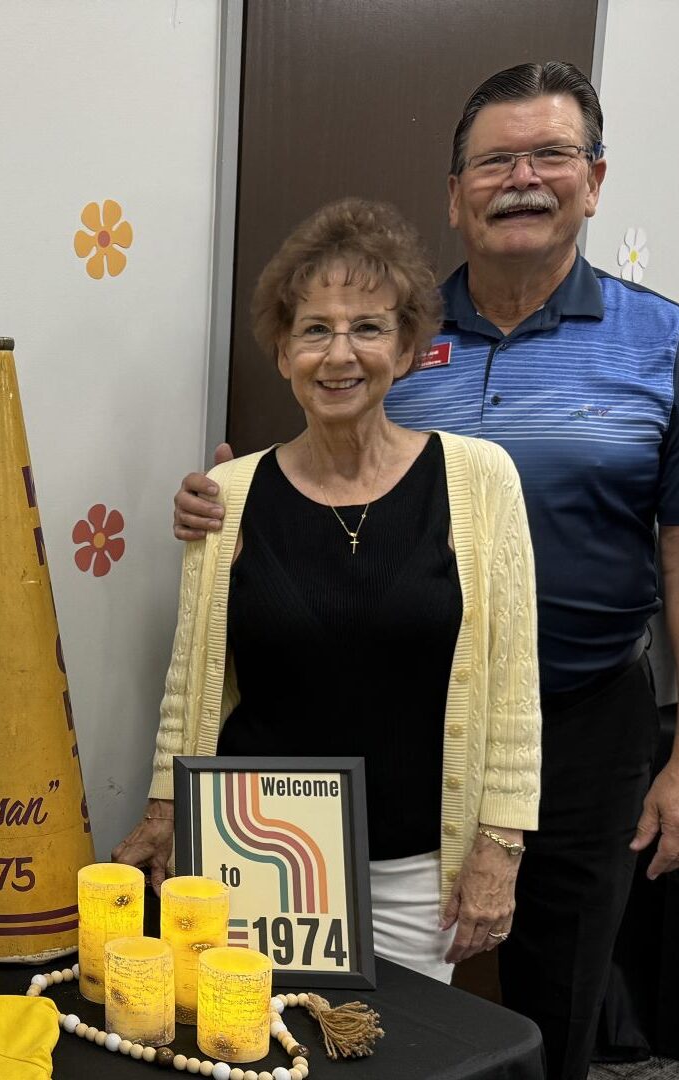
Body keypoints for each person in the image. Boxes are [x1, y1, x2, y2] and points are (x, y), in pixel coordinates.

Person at [163, 62, 679, 1080]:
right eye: (494, 161)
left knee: (553, 1005)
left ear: (594, 176)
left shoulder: (658, 341)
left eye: (549, 155)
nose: (520, 178)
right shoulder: (400, 324)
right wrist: (222, 502)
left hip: (580, 723)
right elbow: (330, 475)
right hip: (399, 738)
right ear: (454, 194)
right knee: (339, 1028)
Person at [116, 196, 540, 986]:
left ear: (409, 348)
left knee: (392, 1054)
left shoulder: (481, 481)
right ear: (282, 353)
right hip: (252, 853)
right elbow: (193, 680)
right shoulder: (227, 493)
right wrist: (166, 808)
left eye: (368, 328)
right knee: (248, 1049)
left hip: (415, 875)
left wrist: (501, 846)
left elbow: (514, 690)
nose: (338, 353)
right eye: (314, 329)